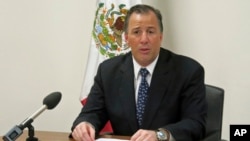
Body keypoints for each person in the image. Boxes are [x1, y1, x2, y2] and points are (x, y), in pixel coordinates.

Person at [71, 4, 207, 141]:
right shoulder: (108, 71)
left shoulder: (188, 71)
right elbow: (91, 113)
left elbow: (195, 124)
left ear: (160, 36)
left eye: (151, 32)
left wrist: (160, 135)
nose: (144, 40)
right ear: (126, 38)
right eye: (136, 32)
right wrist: (85, 124)